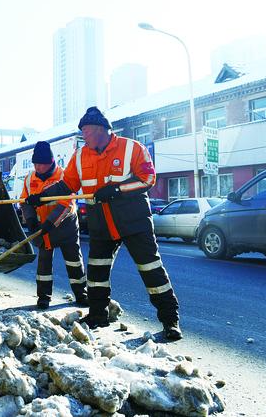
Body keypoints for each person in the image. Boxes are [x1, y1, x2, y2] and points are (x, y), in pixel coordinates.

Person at [26, 106, 182, 341]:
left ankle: (170, 320)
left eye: (86, 131)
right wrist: (42, 196)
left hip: (133, 222)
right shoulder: (80, 156)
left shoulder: (132, 148)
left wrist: (117, 190)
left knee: (150, 269)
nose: (83, 135)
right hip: (101, 225)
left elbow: (148, 178)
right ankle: (98, 314)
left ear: (101, 129)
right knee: (97, 274)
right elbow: (68, 185)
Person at [20, 141, 88, 310]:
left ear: (50, 162)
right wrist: (31, 221)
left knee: (73, 261)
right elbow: (24, 201)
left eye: (40, 164)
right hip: (42, 227)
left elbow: (67, 203)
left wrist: (51, 222)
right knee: (43, 263)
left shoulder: (65, 176)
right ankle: (43, 297)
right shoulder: (30, 178)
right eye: (35, 164)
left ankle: (81, 293)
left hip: (65, 227)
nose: (36, 167)